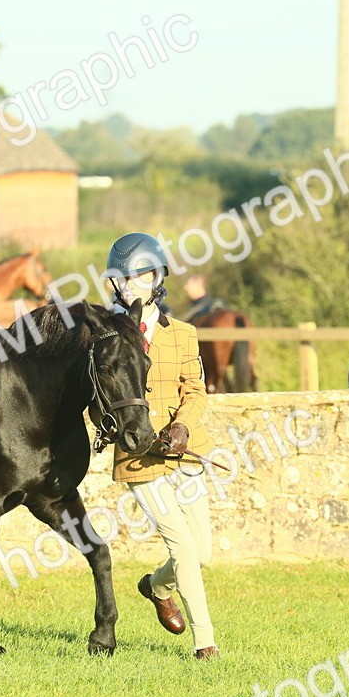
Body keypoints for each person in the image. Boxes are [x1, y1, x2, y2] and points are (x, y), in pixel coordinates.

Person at [102, 232, 221, 660]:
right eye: (124, 278)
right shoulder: (105, 337)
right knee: (182, 545)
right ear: (114, 284)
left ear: (158, 277)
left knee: (202, 552)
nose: (133, 284)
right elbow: (95, 399)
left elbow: (197, 393)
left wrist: (184, 428)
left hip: (183, 454)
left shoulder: (185, 334)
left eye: (142, 275)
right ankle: (205, 641)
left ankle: (156, 587)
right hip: (139, 458)